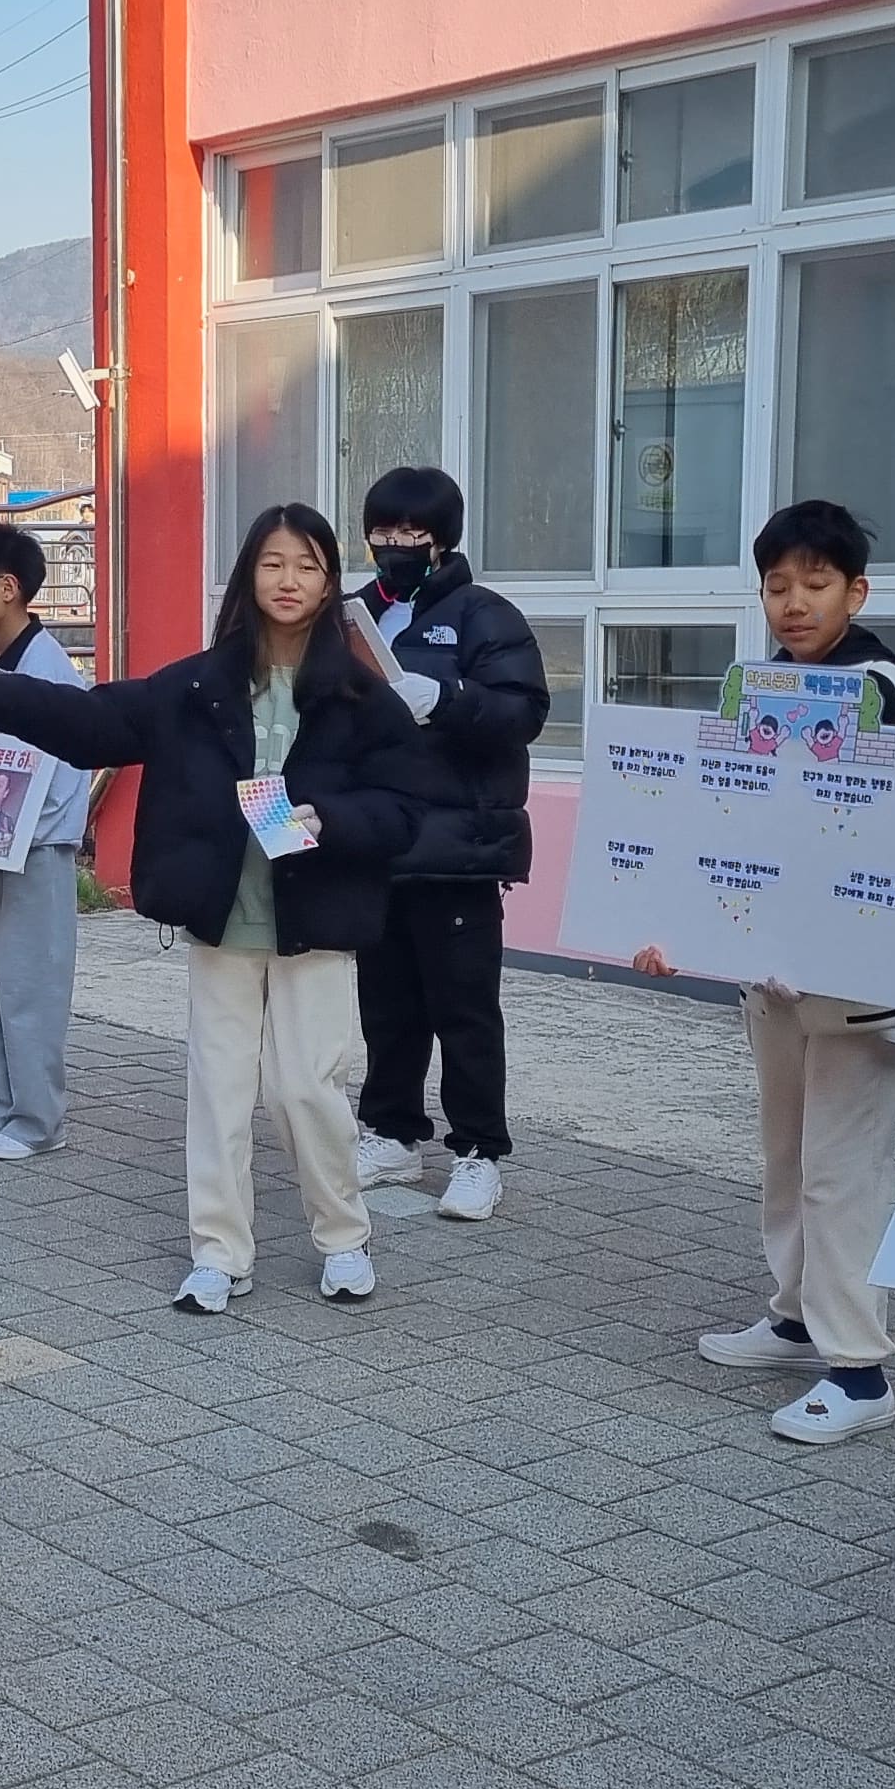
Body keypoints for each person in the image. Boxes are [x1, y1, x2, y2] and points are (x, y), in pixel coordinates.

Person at [0, 504, 423, 1312]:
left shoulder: (359, 697)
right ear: (249, 573)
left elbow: (407, 809)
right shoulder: (198, 686)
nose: (290, 580)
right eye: (274, 563)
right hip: (222, 921)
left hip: (316, 924)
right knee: (216, 1089)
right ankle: (219, 1251)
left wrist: (335, 820)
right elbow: (98, 721)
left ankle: (342, 1237)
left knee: (305, 1088)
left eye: (309, 566)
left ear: (328, 585)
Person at [632, 500, 895, 1444]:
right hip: (771, 973)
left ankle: (858, 1372)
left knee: (841, 1170)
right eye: (777, 586)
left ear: (858, 590)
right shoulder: (753, 687)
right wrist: (681, 923)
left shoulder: (885, 691)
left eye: (815, 584)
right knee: (787, 1155)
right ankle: (797, 1314)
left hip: (857, 980)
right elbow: (721, 820)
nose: (794, 603)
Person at [341, 464, 550, 1223]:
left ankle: (478, 1152)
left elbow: (523, 710)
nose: (393, 546)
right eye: (382, 531)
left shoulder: (481, 615)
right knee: (385, 1006)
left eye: (411, 534)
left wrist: (448, 697)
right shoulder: (356, 614)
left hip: (459, 848)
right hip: (379, 844)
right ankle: (392, 1133)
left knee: (463, 1008)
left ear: (442, 540)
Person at [0, 522, 89, 1161]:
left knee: (31, 984)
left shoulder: (53, 669)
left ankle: (38, 1119)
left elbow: (68, 765)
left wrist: (10, 830)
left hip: (34, 847)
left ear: (9, 588)